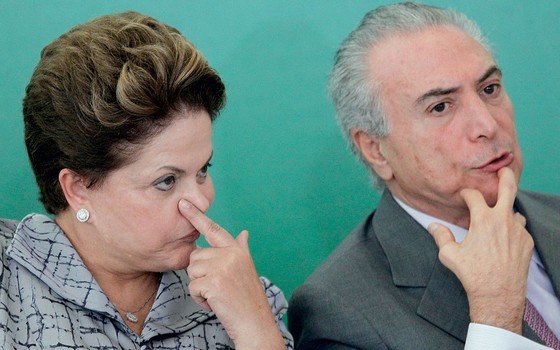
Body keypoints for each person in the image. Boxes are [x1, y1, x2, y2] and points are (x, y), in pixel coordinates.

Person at [0, 11, 293, 349]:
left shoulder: (241, 299)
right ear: (79, 189)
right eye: (167, 181)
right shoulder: (9, 291)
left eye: (203, 170)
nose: (201, 200)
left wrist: (256, 331)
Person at [289, 2, 559, 349]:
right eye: (441, 107)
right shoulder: (339, 313)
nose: (487, 126)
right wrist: (496, 319)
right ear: (376, 149)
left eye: (489, 89)